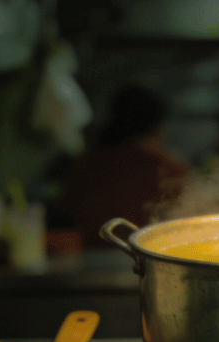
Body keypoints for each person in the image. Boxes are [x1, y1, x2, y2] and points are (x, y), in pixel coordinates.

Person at [60, 84, 189, 248]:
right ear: (157, 124)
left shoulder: (88, 160)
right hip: (147, 255)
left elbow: (67, 207)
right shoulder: (166, 164)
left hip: (90, 256)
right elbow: (185, 218)